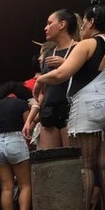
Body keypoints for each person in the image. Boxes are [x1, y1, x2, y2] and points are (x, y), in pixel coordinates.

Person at [36, 0, 105, 210]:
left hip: (89, 105)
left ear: (90, 21)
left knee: (86, 164)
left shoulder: (87, 44)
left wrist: (40, 79)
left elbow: (62, 74)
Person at [24, 10, 80, 149]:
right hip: (49, 111)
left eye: (49, 23)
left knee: (72, 160)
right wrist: (30, 120)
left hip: (72, 110)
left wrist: (65, 63)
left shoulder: (79, 48)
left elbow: (86, 77)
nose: (45, 28)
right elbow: (43, 93)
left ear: (62, 24)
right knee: (50, 161)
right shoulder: (49, 53)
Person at [0, 81, 33, 210]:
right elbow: (28, 125)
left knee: (6, 187)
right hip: (17, 140)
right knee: (25, 185)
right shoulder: (21, 104)